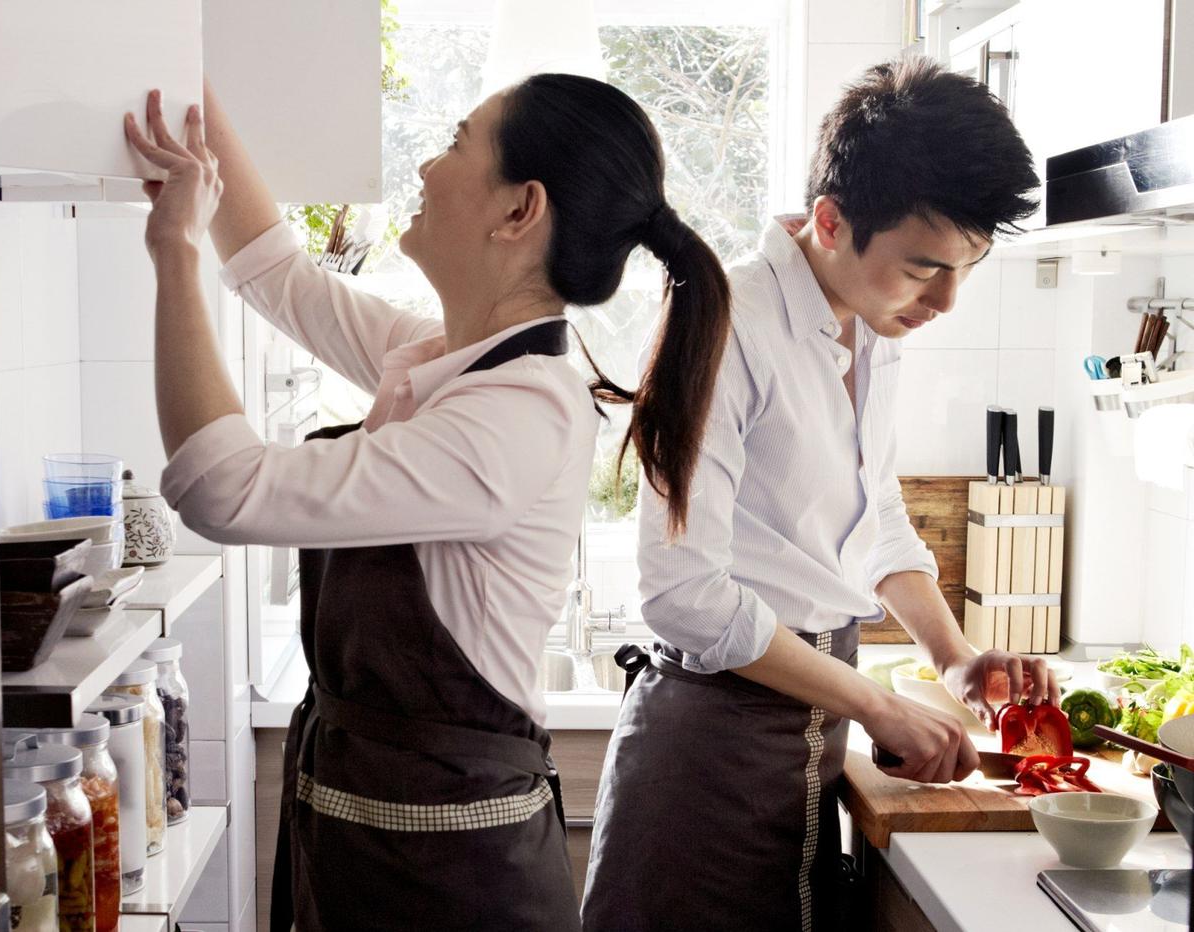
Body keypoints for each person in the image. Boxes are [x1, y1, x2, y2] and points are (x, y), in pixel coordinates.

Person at [123, 72, 730, 931]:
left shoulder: (515, 419)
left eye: (454, 141)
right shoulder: (451, 360)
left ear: (520, 210)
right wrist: (187, 75)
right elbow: (275, 273)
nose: (426, 164)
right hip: (373, 860)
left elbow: (221, 487)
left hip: (456, 890)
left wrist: (174, 250)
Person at [581, 57, 1053, 932]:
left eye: (966, 269)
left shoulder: (873, 327)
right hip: (710, 754)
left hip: (809, 740)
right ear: (830, 221)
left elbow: (873, 517)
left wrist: (954, 657)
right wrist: (875, 700)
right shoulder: (724, 319)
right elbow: (681, 592)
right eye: (923, 268)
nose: (946, 300)